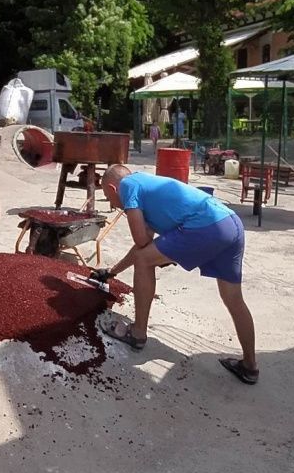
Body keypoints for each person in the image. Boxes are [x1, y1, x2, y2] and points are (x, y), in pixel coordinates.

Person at [91, 165, 258, 385]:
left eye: (108, 197)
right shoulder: (145, 186)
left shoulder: (128, 186)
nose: (113, 204)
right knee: (234, 299)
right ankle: (249, 366)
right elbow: (144, 245)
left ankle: (138, 333)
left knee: (143, 260)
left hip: (206, 226)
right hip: (230, 223)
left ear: (113, 188)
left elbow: (141, 243)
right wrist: (112, 272)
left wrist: (159, 251)